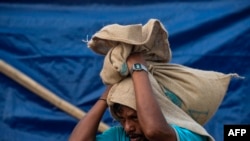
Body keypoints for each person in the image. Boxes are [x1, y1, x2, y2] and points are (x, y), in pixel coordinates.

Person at [69, 53, 209, 141]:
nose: (128, 127)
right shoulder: (121, 136)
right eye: (122, 119)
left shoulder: (189, 135)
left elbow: (154, 131)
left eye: (135, 117)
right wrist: (107, 95)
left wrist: (138, 69)